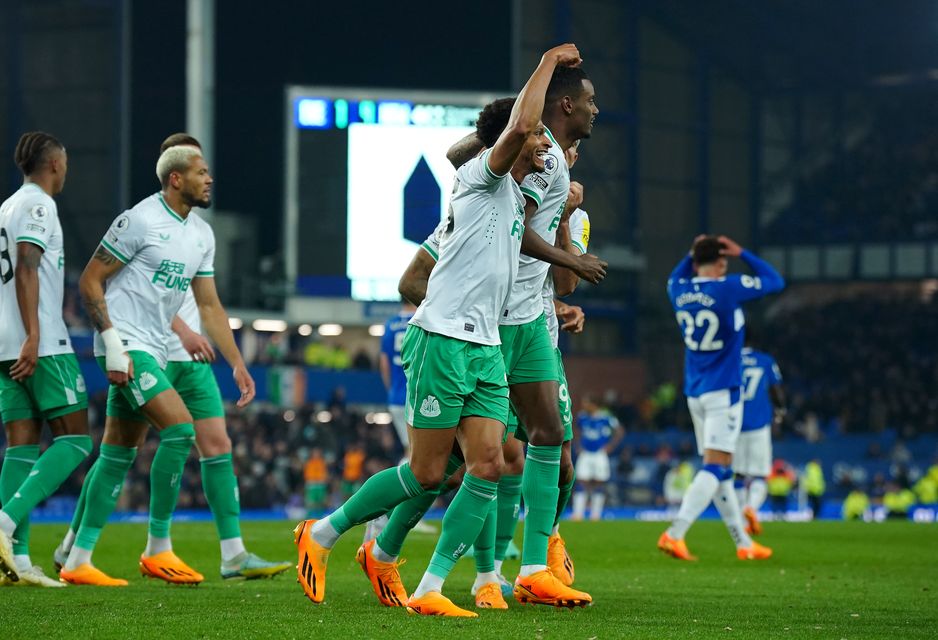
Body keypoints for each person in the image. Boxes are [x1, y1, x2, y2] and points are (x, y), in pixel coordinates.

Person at [294, 44, 585, 618]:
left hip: (487, 345)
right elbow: (513, 129)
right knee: (428, 472)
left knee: (491, 465)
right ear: (515, 140)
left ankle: (437, 585)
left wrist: (559, 282)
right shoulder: (482, 179)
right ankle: (325, 532)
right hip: (443, 340)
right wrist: (549, 61)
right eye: (538, 140)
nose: (546, 146)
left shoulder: (518, 198)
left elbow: (528, 251)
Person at [54, 134, 285, 582]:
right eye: (201, 172)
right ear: (176, 178)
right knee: (180, 432)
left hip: (156, 350)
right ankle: (158, 546)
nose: (210, 179)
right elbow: (89, 281)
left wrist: (236, 361)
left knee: (118, 454)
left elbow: (211, 305)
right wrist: (114, 343)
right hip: (129, 345)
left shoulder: (200, 234)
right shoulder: (138, 220)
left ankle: (76, 557)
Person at [0, 132, 92, 587]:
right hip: (40, 342)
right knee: (76, 440)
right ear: (55, 163)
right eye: (66, 162)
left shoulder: (6, 206)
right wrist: (35, 335)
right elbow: (27, 264)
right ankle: (4, 522)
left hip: (4, 343)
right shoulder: (39, 205)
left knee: (20, 447)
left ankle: (16, 560)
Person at [658, 235, 784, 561]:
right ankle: (675, 533)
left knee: (723, 469)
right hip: (722, 394)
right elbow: (774, 280)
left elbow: (676, 274)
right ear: (722, 262)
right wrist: (743, 251)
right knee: (715, 466)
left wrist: (692, 252)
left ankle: (744, 543)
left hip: (695, 392)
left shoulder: (678, 289)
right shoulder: (727, 287)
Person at [733, 340, 785, 535]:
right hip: (758, 425)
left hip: (734, 425)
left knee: (737, 473)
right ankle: (751, 508)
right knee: (759, 474)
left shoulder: (730, 359)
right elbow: (776, 388)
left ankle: (739, 517)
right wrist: (780, 410)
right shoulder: (764, 360)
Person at [571, 396, 623, 521]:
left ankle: (596, 515)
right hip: (586, 453)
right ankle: (578, 514)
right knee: (581, 481)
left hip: (600, 453)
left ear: (594, 404)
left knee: (599, 482)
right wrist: (578, 444)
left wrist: (610, 446)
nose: (584, 406)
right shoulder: (582, 417)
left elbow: (619, 431)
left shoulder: (606, 417)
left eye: (586, 403)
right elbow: (575, 429)